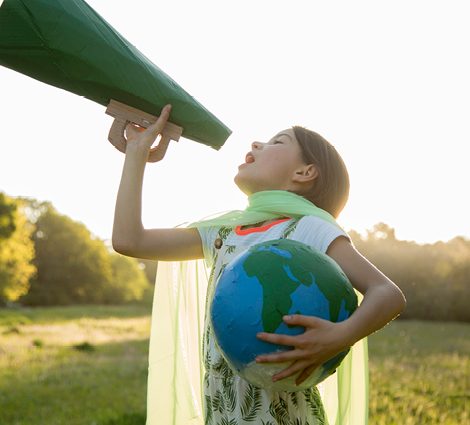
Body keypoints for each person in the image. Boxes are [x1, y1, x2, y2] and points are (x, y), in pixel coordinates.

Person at [112, 105, 406, 425]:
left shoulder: (310, 227)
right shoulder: (224, 233)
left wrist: (342, 335)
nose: (256, 144)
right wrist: (136, 151)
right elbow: (130, 241)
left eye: (276, 142)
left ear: (305, 172)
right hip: (224, 414)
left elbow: (386, 293)